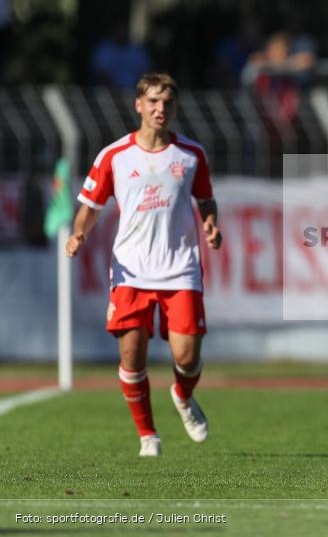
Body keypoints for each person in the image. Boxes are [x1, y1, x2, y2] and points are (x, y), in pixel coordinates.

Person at [66, 73, 222, 457]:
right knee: (131, 357)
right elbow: (90, 206)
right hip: (131, 270)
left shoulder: (191, 154)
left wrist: (211, 224)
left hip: (180, 267)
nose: (160, 109)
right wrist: (79, 233)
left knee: (187, 357)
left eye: (167, 103)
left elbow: (205, 200)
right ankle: (147, 435)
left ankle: (183, 395)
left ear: (175, 107)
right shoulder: (115, 155)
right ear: (138, 104)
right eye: (153, 101)